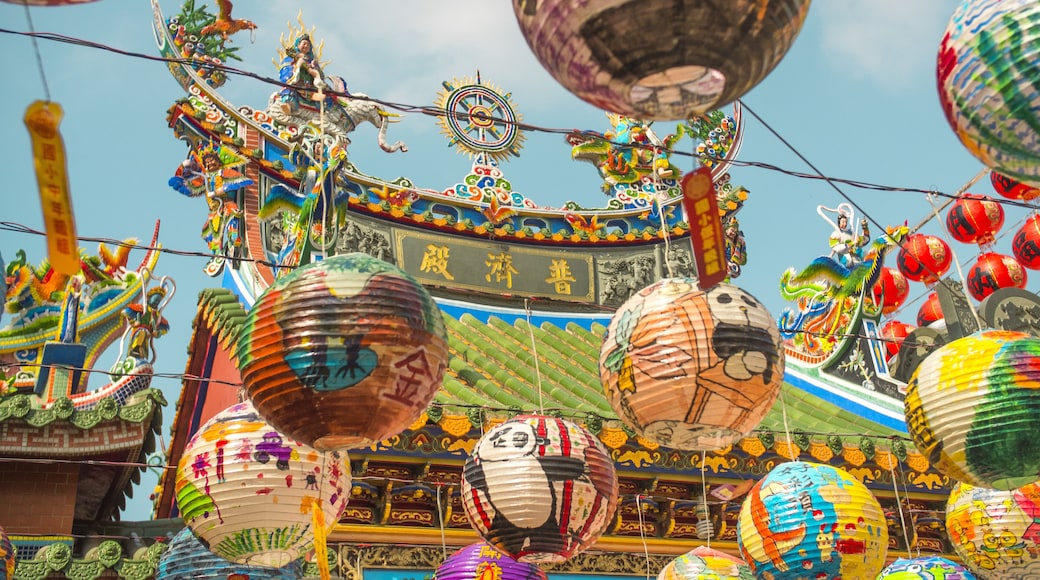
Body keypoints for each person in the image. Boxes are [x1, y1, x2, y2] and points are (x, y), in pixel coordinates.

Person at [168, 143, 254, 274]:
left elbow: (244, 181)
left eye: (211, 160)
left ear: (218, 161)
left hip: (226, 204)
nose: (209, 164)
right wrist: (181, 176)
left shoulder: (225, 172)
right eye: (206, 162)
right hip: (214, 211)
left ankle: (234, 241)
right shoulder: (205, 179)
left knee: (233, 215)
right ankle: (217, 253)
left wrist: (221, 190)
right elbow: (191, 188)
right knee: (207, 232)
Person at [278, 34, 329, 116]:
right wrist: (297, 66)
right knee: (290, 92)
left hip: (310, 87)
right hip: (297, 83)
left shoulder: (312, 61)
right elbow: (285, 69)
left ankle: (322, 113)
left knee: (325, 97)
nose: (306, 46)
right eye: (304, 44)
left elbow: (321, 76)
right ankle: (288, 106)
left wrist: (315, 73)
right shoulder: (292, 57)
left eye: (308, 45)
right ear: (298, 45)